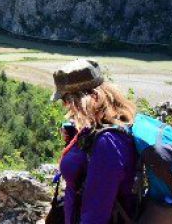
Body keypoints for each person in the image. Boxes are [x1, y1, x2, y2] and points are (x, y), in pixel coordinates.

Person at [52, 59, 138, 224]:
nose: (65, 106)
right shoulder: (100, 127)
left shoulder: (107, 142)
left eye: (65, 99)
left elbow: (96, 211)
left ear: (83, 99)